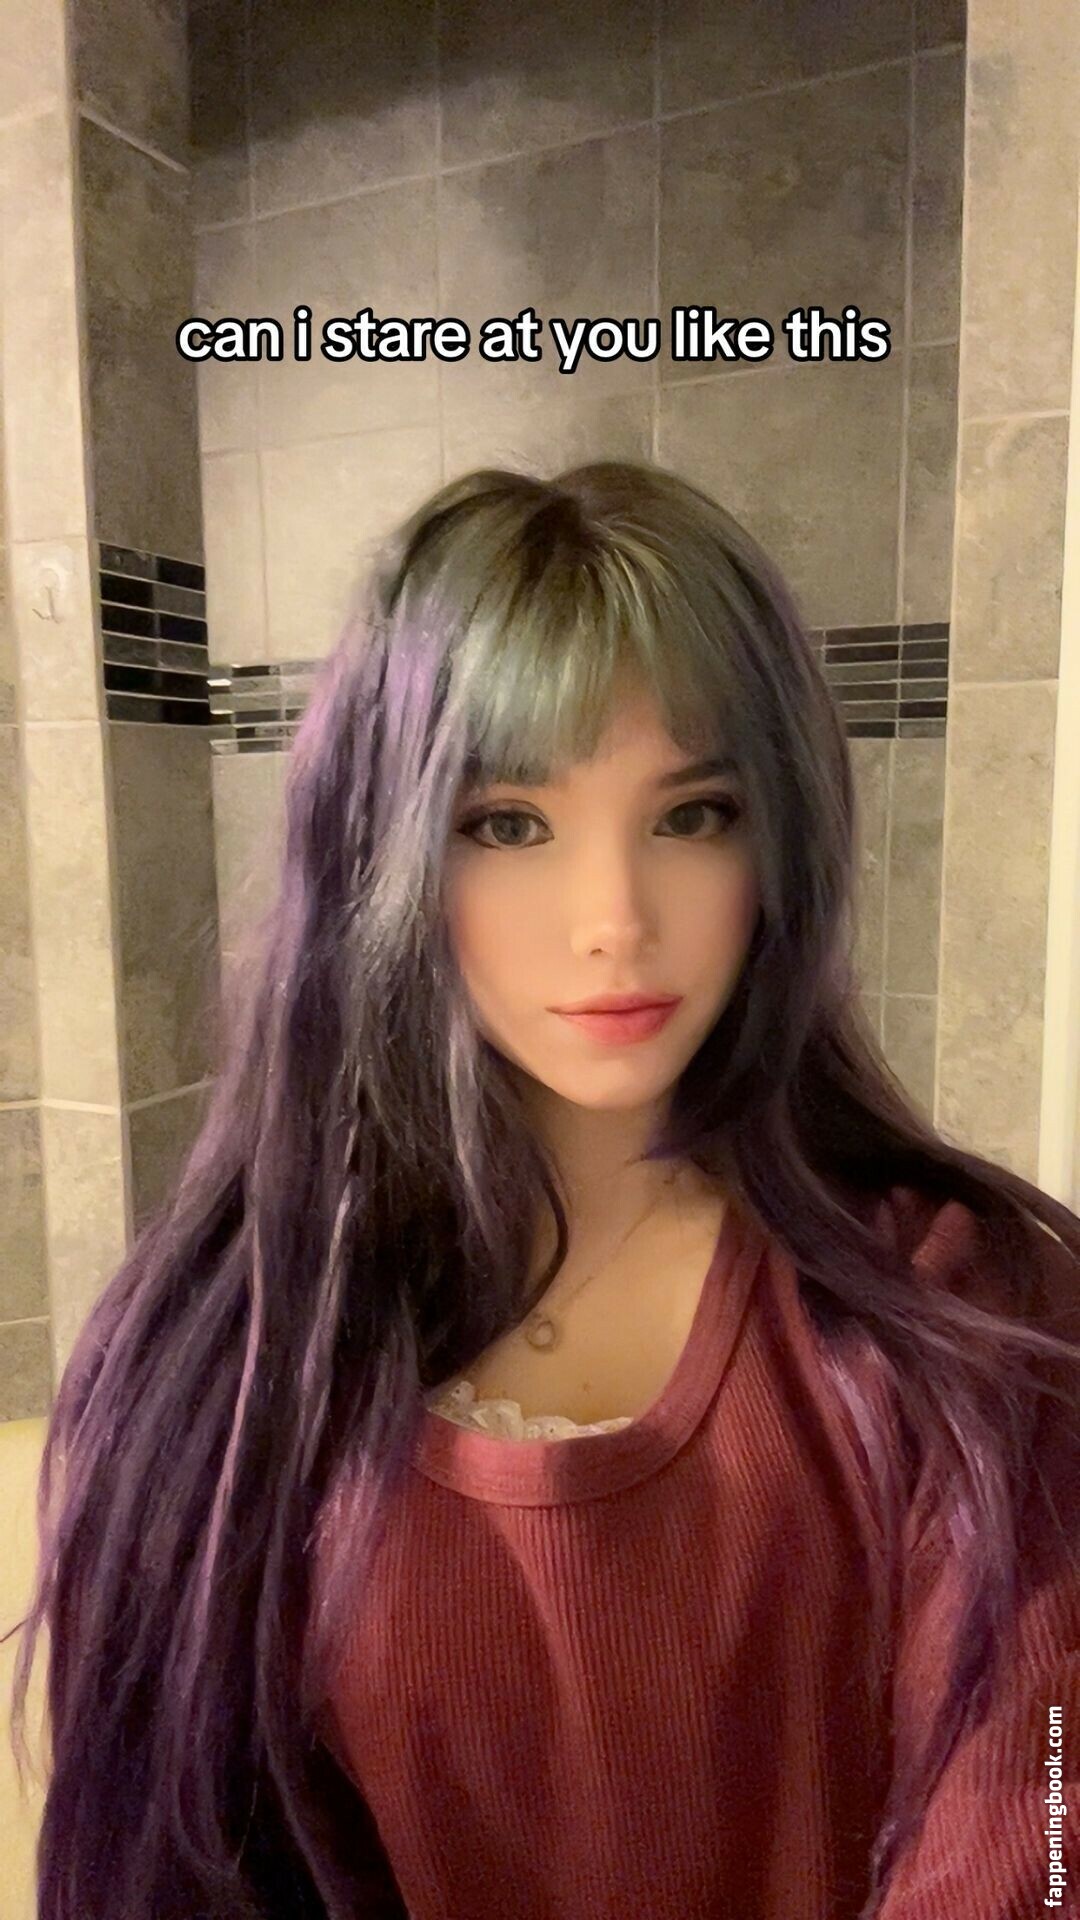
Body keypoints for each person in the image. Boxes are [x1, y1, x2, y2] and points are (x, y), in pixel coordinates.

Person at [6, 460, 1080, 1920]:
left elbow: (1035, 1835)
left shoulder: (966, 1317)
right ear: (381, 852)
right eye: (509, 824)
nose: (614, 922)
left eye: (693, 815)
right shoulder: (224, 1359)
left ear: (782, 840)